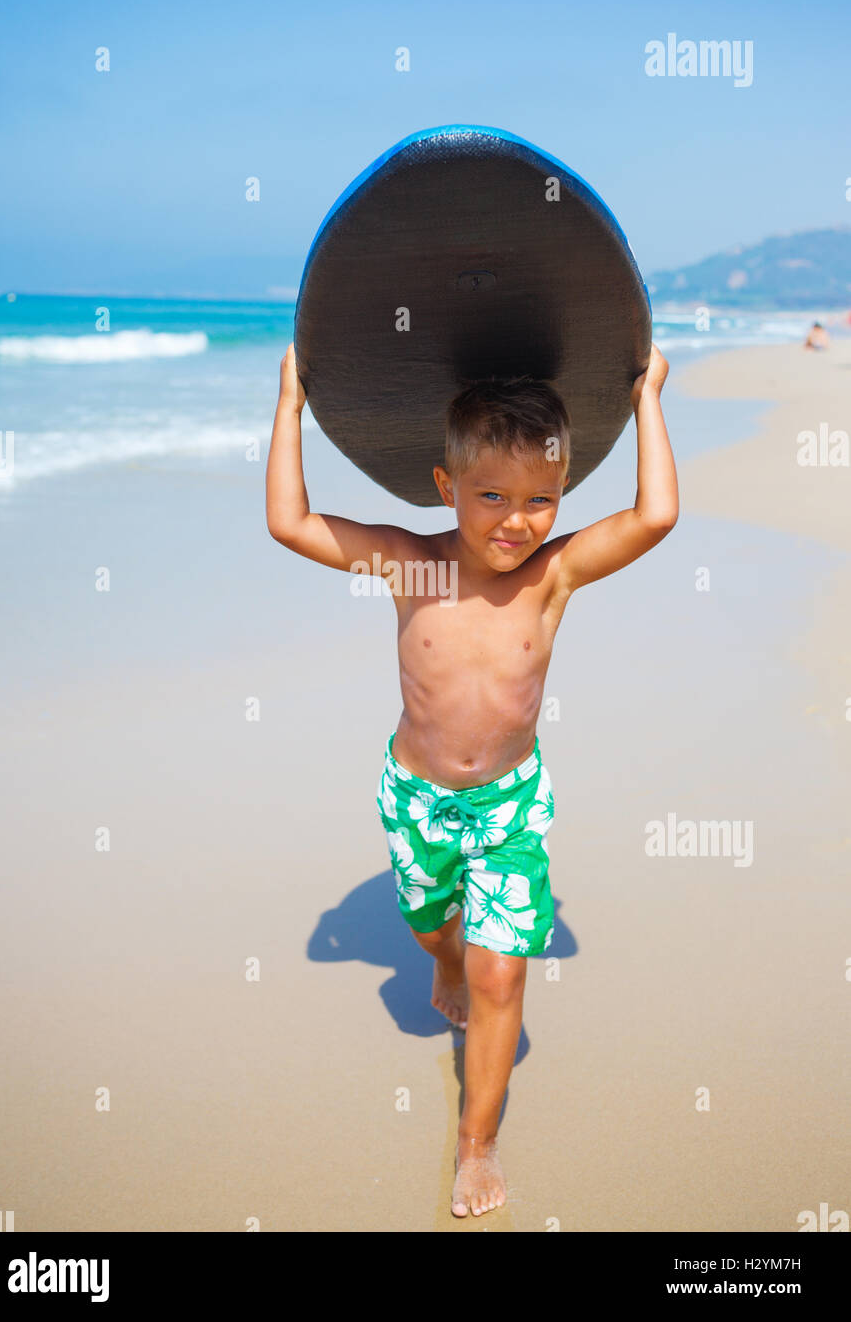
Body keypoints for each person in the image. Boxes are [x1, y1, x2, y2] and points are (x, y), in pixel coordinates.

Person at [266, 341, 678, 1217]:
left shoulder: (552, 577)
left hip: (508, 807)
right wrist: (290, 403)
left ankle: (475, 1145)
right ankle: (442, 959)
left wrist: (650, 397)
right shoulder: (412, 565)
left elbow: (653, 517)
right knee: (427, 931)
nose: (516, 520)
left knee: (502, 979)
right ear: (445, 486)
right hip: (414, 798)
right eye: (490, 495)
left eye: (541, 499)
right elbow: (291, 525)